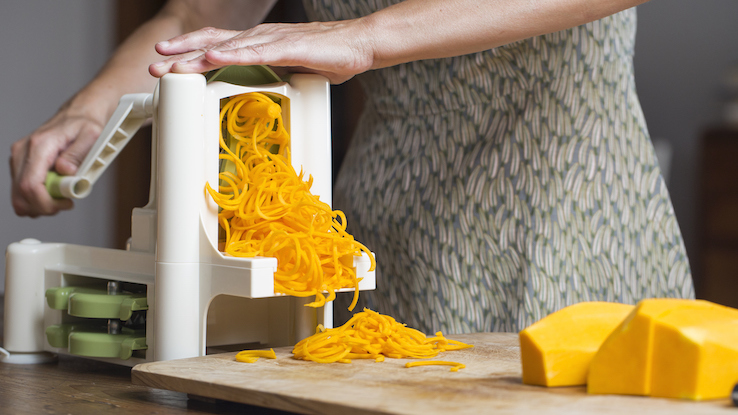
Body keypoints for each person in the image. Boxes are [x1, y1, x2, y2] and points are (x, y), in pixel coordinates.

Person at [10, 0, 694, 334]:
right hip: (379, 222)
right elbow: (198, 11)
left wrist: (363, 37)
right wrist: (91, 108)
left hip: (566, 208)